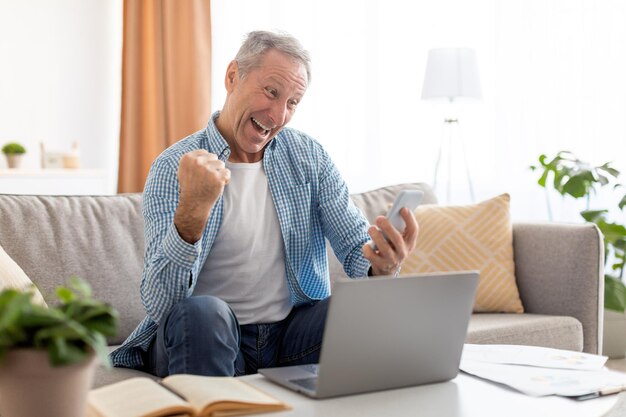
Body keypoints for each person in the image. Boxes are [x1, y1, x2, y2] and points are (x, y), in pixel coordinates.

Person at [111, 30, 418, 377]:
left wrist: (384, 264)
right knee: (203, 314)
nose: (278, 115)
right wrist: (192, 213)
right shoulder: (175, 165)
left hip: (290, 338)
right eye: (271, 92)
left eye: (292, 103)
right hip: (208, 336)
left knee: (362, 309)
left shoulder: (308, 157)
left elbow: (354, 247)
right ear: (232, 77)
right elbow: (161, 303)